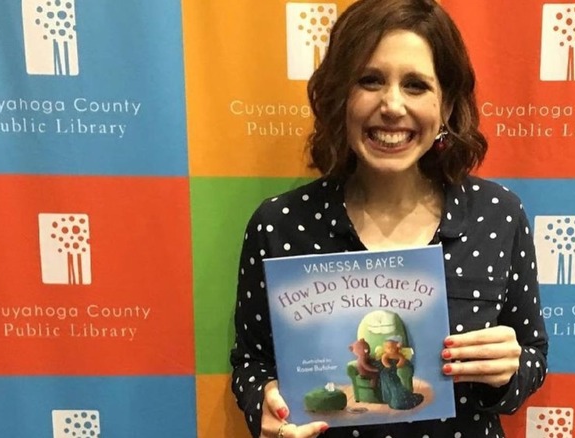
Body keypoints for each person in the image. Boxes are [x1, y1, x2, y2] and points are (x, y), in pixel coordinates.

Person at [230, 0, 549, 436]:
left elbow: (531, 356)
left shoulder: (497, 216)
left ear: (448, 105)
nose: (393, 105)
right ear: (340, 95)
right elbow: (251, 363)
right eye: (370, 80)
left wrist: (507, 371)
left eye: (416, 85)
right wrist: (262, 405)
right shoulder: (280, 224)